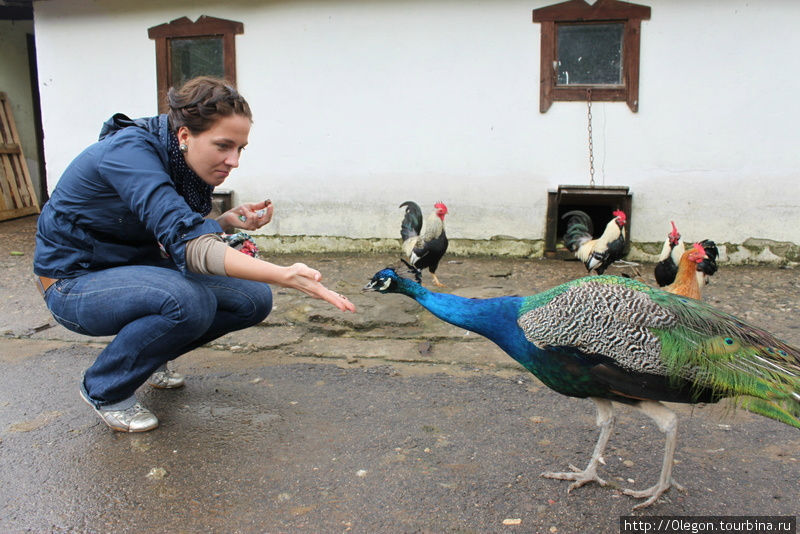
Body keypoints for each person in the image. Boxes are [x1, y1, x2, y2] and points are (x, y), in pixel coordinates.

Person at [33, 76, 356, 433]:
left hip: (134, 271)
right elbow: (188, 245)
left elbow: (178, 231)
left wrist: (223, 223)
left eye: (240, 149)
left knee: (253, 299)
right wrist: (284, 274)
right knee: (188, 300)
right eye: (223, 146)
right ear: (185, 135)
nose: (233, 161)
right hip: (73, 282)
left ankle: (150, 356)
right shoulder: (129, 152)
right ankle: (105, 389)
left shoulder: (179, 158)